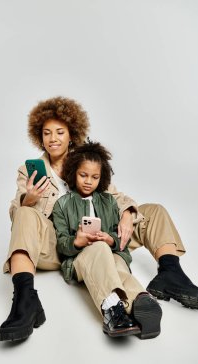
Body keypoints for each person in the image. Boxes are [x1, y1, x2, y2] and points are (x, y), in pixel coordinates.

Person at [0, 96, 198, 342]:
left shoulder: (86, 162)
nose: (53, 138)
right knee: (24, 213)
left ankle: (171, 274)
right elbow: (17, 216)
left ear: (71, 134)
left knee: (153, 211)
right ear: (39, 136)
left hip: (101, 233)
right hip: (59, 243)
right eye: (47, 133)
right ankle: (25, 299)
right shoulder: (29, 170)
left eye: (59, 132)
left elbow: (116, 196)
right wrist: (29, 200)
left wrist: (129, 214)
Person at [52, 140, 162, 338]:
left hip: (111, 255)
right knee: (100, 249)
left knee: (118, 262)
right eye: (83, 175)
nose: (88, 181)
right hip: (79, 261)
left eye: (94, 177)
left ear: (101, 178)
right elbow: (61, 243)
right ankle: (111, 308)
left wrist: (110, 239)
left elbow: (121, 238)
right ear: (73, 173)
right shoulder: (62, 204)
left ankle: (141, 300)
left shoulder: (109, 201)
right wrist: (77, 241)